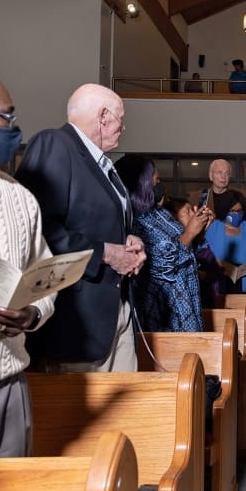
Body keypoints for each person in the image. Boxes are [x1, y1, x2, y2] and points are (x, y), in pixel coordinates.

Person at [16, 83, 146, 371]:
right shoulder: (55, 145)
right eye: (120, 119)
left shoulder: (101, 164)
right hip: (77, 318)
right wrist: (107, 253)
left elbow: (97, 223)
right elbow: (37, 230)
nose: (123, 128)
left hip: (115, 308)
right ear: (103, 116)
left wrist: (128, 241)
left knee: (129, 413)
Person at [0, 75, 55, 457]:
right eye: (6, 118)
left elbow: (45, 277)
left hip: (9, 380)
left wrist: (31, 313)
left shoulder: (21, 200)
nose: (14, 129)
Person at [116, 155, 213, 332]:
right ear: (142, 183)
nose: (159, 185)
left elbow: (184, 248)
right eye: (155, 180)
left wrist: (199, 231)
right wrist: (190, 232)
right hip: (164, 311)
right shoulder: (134, 221)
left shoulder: (158, 213)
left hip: (186, 301)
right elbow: (162, 265)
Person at [164, 196, 224, 310]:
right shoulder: (168, 243)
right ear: (174, 218)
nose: (193, 215)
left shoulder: (199, 242)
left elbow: (214, 271)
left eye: (193, 209)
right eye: (188, 211)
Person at [205, 191, 246, 294]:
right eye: (232, 211)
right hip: (218, 285)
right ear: (224, 211)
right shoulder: (212, 228)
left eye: (240, 211)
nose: (237, 214)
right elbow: (204, 256)